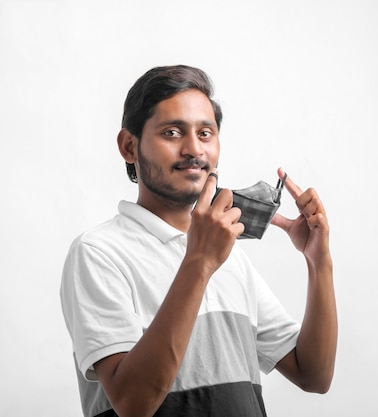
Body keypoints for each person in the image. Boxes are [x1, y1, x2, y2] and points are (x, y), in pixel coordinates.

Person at [60, 65, 337, 417]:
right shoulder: (99, 253)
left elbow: (314, 374)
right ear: (129, 146)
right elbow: (133, 403)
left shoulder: (229, 256)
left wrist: (319, 262)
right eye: (172, 132)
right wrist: (201, 263)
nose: (194, 149)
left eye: (206, 133)